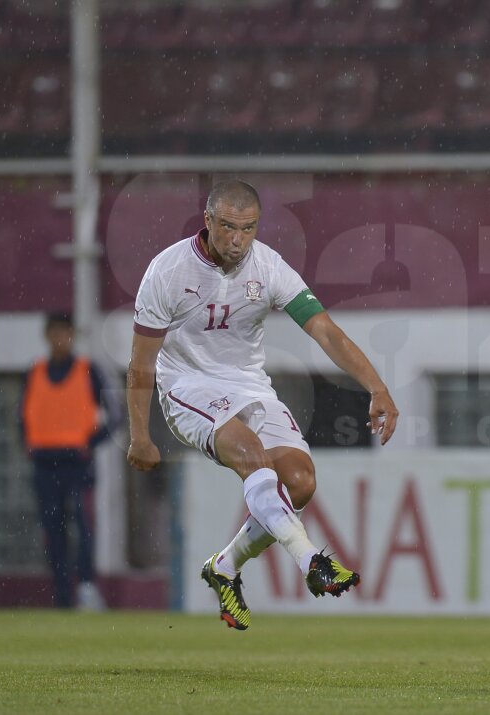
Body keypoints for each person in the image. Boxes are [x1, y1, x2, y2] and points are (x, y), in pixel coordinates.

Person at [125, 180, 399, 630]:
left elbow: (326, 331)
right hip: (187, 388)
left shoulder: (268, 267)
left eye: (248, 228)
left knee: (299, 481)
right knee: (254, 459)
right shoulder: (168, 271)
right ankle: (313, 559)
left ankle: (224, 566)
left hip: (250, 386)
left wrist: (377, 387)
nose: (237, 239)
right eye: (228, 227)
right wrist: (140, 434)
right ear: (208, 221)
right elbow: (140, 364)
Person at [21, 311, 116, 611]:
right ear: (47, 336)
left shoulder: (89, 371)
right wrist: (29, 446)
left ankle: (87, 587)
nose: (60, 340)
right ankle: (62, 593)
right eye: (55, 333)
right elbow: (22, 417)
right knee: (52, 530)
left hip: (77, 463)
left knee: (83, 524)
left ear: (72, 335)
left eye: (65, 333)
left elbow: (114, 417)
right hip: (44, 464)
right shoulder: (34, 373)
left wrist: (90, 443)